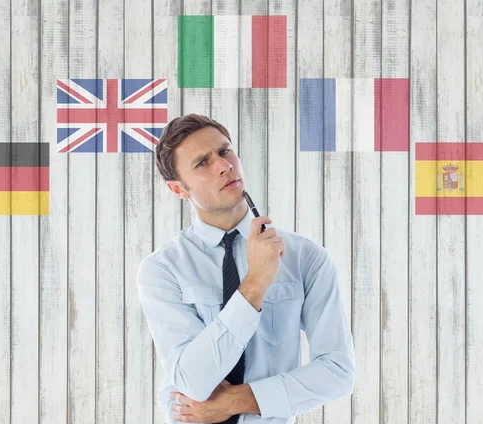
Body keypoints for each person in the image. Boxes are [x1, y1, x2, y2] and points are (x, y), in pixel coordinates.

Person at [136, 114, 355, 423]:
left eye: (225, 151)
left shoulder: (305, 257)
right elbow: (193, 381)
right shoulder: (162, 270)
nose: (224, 166)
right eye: (202, 163)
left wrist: (236, 401)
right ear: (178, 189)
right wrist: (255, 283)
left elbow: (338, 371)